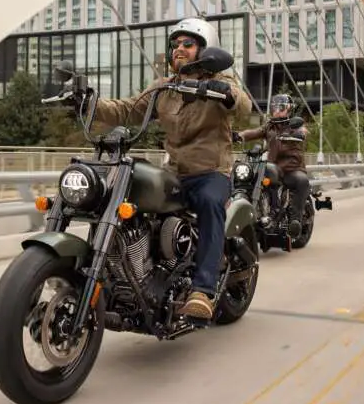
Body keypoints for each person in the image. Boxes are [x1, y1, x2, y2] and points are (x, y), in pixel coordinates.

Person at [86, 17, 252, 320]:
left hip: (210, 172)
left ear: (205, 50)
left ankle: (203, 290)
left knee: (210, 203)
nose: (179, 49)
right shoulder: (164, 88)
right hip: (174, 172)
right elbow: (128, 109)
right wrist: (89, 103)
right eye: (175, 44)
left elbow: (243, 106)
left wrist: (223, 92)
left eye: (188, 44)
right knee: (130, 201)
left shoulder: (222, 82)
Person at [232, 93, 310, 238]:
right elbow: (254, 132)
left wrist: (300, 134)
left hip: (292, 168)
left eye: (281, 108)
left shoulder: (295, 125)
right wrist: (238, 135)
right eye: (274, 107)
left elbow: (303, 131)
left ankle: (295, 220)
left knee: (302, 181)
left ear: (289, 109)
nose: (277, 111)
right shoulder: (269, 126)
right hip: (274, 166)